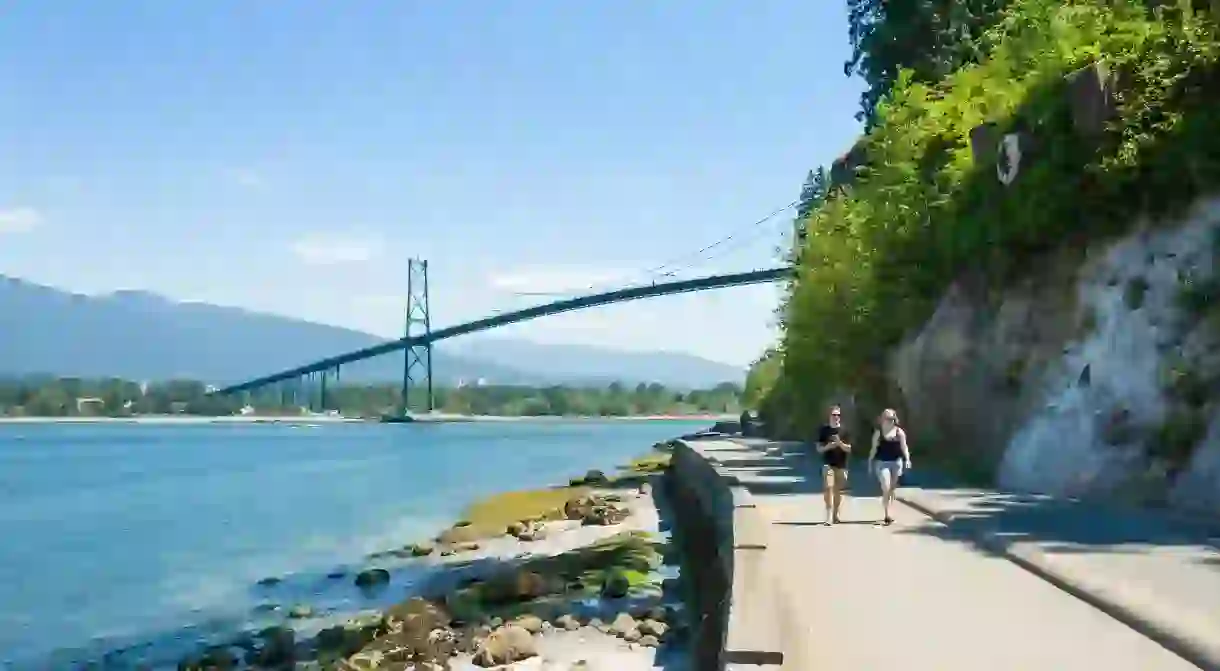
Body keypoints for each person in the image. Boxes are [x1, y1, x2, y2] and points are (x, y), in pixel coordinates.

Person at [868, 408, 912, 526]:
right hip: (882, 463)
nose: (889, 421)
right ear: (882, 419)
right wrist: (870, 461)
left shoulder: (899, 432)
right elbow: (873, 449)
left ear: (895, 419)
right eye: (887, 418)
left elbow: (904, 447)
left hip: (896, 462)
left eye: (892, 419)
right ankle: (887, 514)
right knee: (886, 487)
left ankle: (889, 509)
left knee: (892, 489)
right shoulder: (879, 433)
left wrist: (907, 459)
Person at [815, 404, 851, 526]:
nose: (836, 417)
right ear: (829, 416)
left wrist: (839, 443)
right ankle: (829, 516)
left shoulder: (845, 430)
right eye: (834, 415)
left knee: (838, 491)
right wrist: (828, 446)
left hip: (842, 465)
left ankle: (836, 514)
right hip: (827, 464)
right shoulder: (824, 430)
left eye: (838, 415)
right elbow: (819, 449)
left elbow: (849, 449)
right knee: (828, 488)